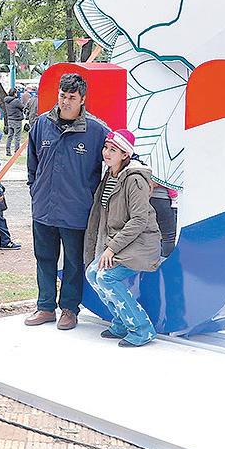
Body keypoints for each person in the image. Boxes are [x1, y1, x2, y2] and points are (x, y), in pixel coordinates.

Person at [25, 73, 110, 331]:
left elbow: (118, 158)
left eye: (72, 97)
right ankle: (45, 306)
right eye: (62, 96)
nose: (65, 102)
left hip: (77, 211)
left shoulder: (96, 130)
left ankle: (70, 309)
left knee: (74, 263)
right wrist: (35, 190)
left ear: (82, 99)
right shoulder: (41, 124)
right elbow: (32, 164)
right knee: (44, 258)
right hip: (43, 209)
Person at [84, 130, 163, 347]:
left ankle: (142, 329)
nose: (106, 153)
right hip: (123, 242)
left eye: (113, 150)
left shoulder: (134, 180)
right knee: (92, 273)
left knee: (106, 277)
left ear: (125, 154)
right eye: (106, 148)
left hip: (142, 243)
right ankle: (121, 322)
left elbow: (139, 220)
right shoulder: (111, 175)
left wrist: (111, 249)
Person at [4, 89, 30, 157]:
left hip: (10, 119)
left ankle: (8, 151)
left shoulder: (6, 101)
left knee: (10, 136)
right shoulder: (16, 101)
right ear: (14, 93)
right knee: (17, 136)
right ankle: (17, 151)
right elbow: (23, 107)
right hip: (17, 120)